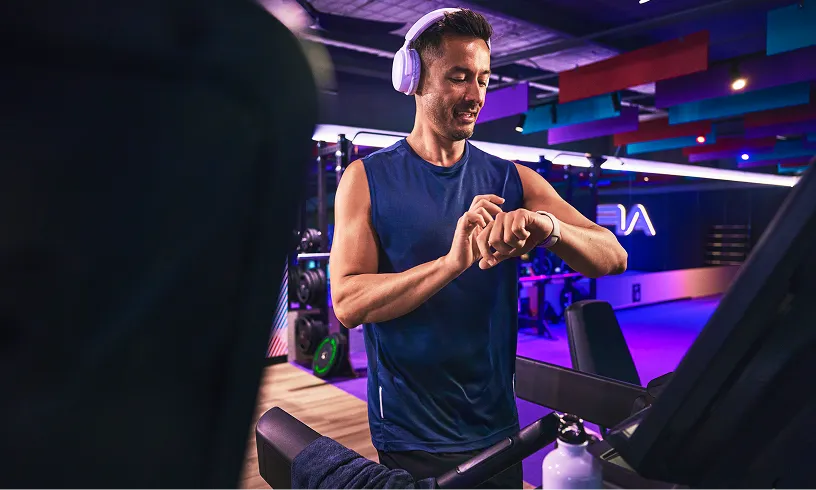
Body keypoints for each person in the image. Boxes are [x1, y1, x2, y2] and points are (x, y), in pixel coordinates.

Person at [329, 7, 628, 489]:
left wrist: (547, 225)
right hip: (409, 434)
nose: (475, 95)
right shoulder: (366, 179)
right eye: (459, 77)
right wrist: (451, 264)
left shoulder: (511, 179)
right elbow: (348, 303)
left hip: (498, 428)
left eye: (483, 79)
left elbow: (613, 256)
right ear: (414, 79)